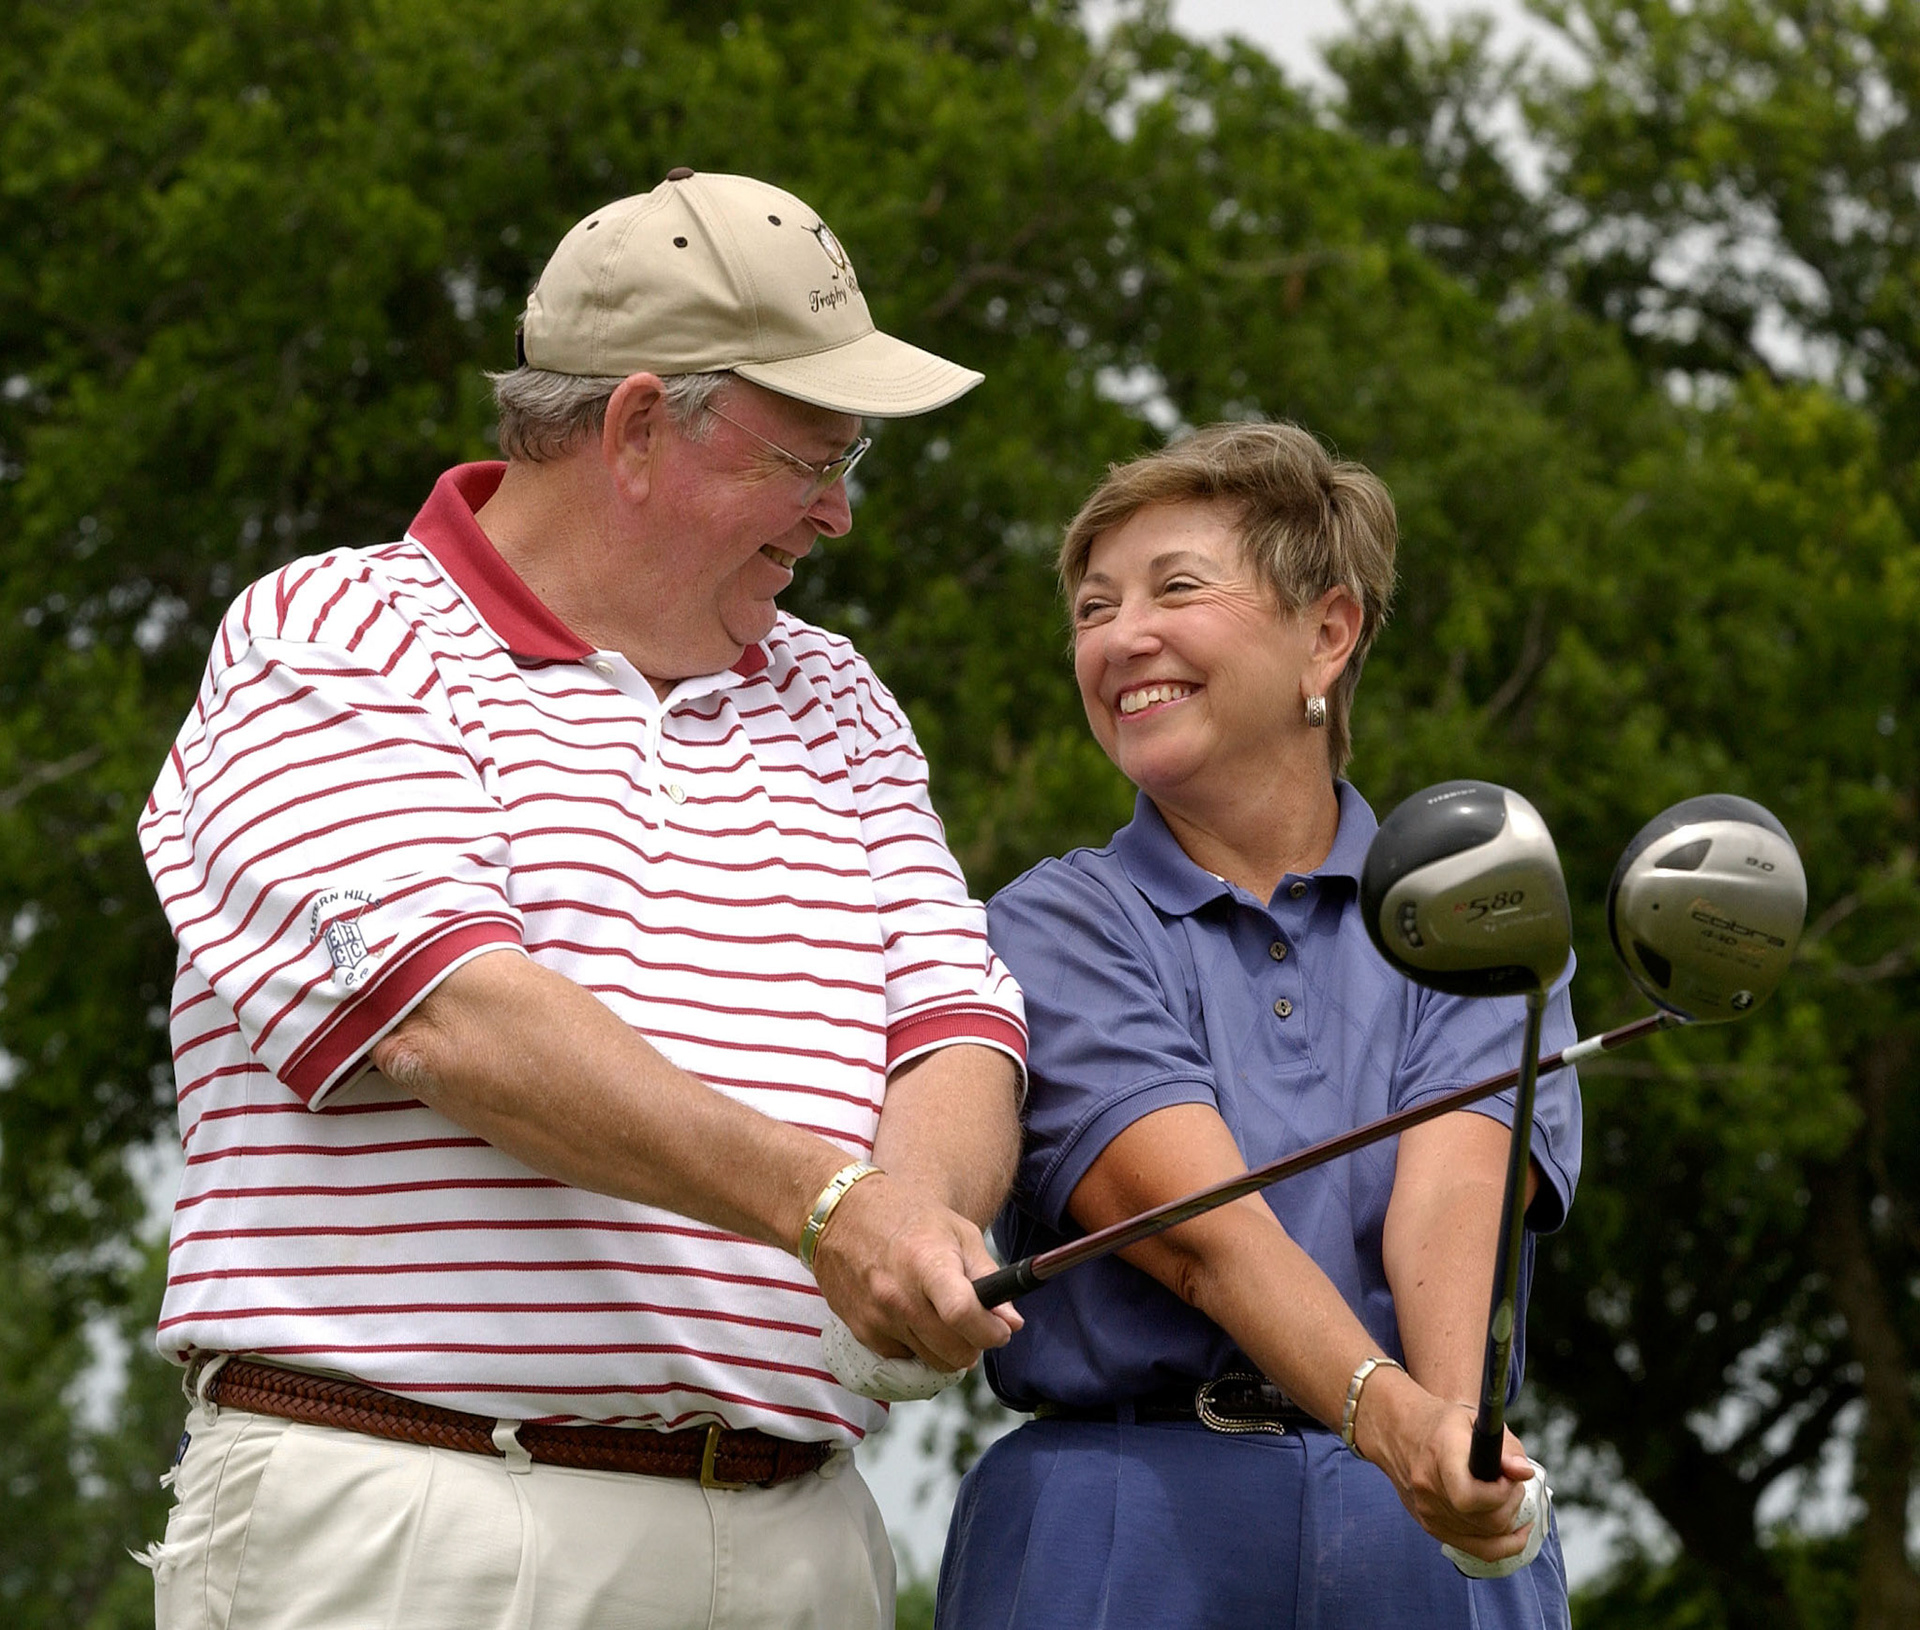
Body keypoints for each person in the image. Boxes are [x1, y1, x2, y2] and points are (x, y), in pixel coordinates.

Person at [136, 168, 1027, 1630]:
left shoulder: (840, 694)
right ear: (631, 424)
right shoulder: (336, 634)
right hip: (424, 1519)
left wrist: (914, 1230)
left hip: (804, 1528)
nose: (840, 514)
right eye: (809, 457)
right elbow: (452, 1018)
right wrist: (828, 1209)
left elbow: (955, 1028)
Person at [936, 422, 1582, 1629]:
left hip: (1423, 1523)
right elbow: (1200, 1236)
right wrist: (1405, 1429)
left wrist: (1451, 1450)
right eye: (1092, 609)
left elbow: (1455, 1195)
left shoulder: (1471, 895)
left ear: (1327, 633)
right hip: (1119, 1519)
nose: (1123, 637)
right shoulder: (1051, 920)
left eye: (1176, 587)